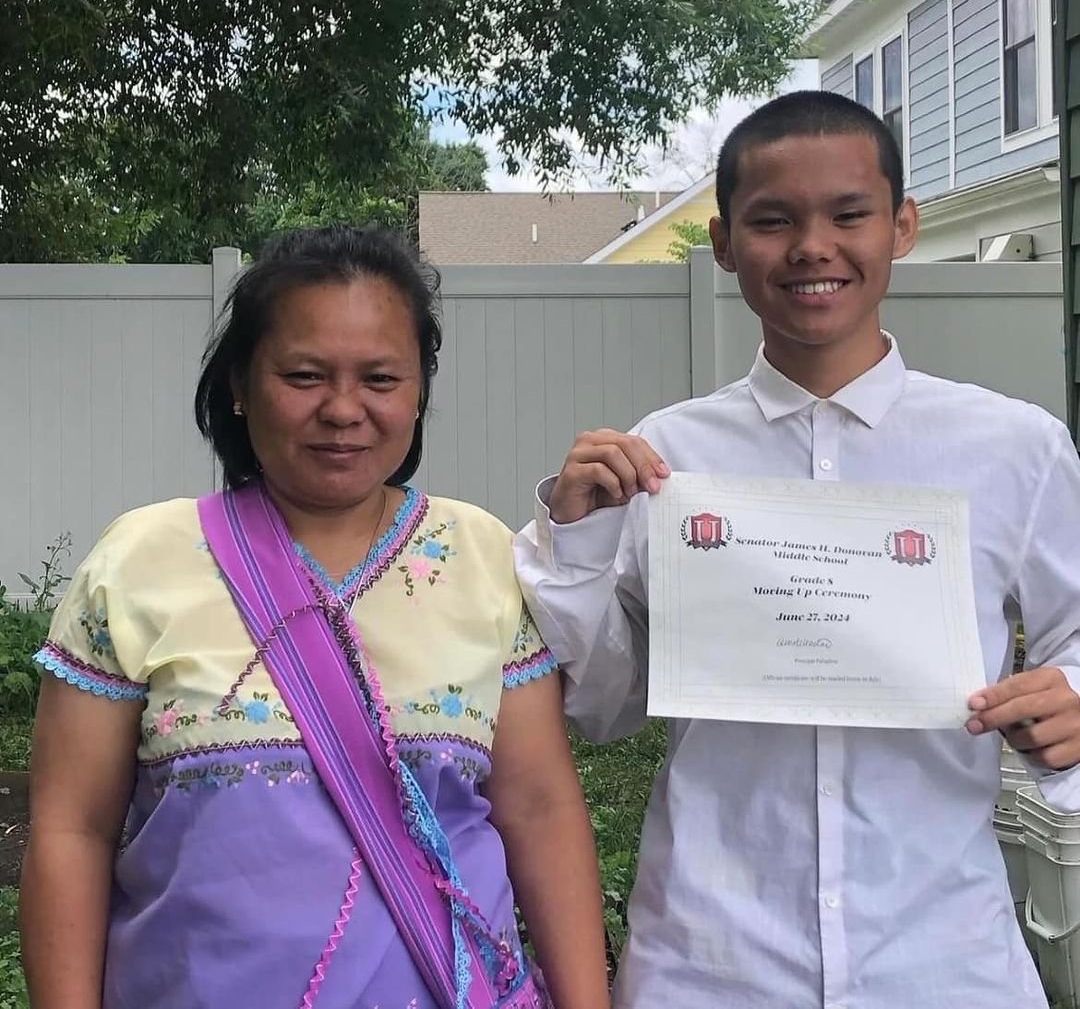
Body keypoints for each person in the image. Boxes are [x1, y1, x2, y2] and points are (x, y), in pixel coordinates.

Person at [514, 90, 1080, 1009]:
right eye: (773, 220)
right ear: (726, 243)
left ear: (901, 225)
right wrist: (577, 546)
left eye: (849, 214)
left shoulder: (1013, 449)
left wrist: (1071, 703)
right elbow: (607, 708)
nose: (813, 246)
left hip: (943, 957)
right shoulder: (670, 459)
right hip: (711, 959)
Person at [21, 225, 610, 1009]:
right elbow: (72, 831)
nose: (343, 410)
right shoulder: (138, 562)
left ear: (419, 390)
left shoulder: (478, 554)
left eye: (380, 378)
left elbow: (539, 809)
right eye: (303, 375)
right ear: (239, 383)